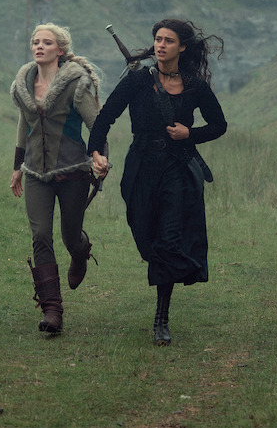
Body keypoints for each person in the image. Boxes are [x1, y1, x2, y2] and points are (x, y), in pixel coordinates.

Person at [88, 18, 227, 346]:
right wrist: (96, 153)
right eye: (158, 39)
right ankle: (166, 263)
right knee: (146, 235)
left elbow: (219, 125)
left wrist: (189, 133)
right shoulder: (137, 81)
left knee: (168, 238)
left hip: (177, 168)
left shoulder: (195, 86)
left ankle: (161, 319)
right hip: (141, 167)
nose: (161, 45)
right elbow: (105, 118)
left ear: (182, 47)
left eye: (169, 40)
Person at [10, 23, 105, 334]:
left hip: (73, 171)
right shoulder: (24, 85)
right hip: (35, 173)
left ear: (60, 50)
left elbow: (96, 125)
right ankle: (52, 310)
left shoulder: (76, 85)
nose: (39, 46)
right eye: (35, 41)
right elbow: (24, 125)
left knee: (70, 236)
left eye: (47, 42)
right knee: (40, 235)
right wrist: (17, 166)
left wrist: (99, 157)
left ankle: (80, 251)